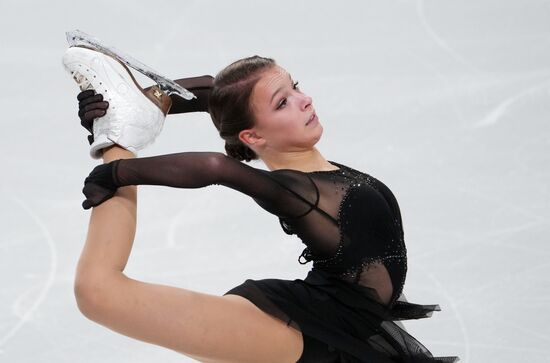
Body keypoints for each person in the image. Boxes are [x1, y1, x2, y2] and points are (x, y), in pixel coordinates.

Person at [68, 49, 459, 362]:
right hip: (299, 335)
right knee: (97, 291)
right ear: (252, 134)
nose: (305, 101)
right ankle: (117, 139)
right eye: (283, 102)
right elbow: (215, 166)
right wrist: (117, 169)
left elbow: (210, 91)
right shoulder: (299, 193)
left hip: (335, 324)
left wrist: (157, 99)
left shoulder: (309, 175)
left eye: (296, 88)